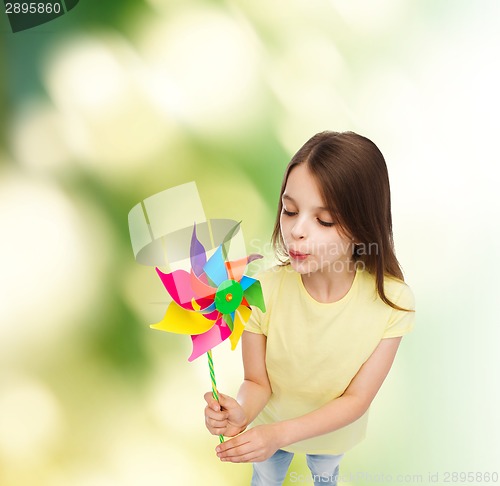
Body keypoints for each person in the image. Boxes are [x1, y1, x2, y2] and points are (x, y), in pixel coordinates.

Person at [204, 131, 415, 486]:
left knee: (325, 474)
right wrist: (240, 413)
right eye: (289, 211)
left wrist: (279, 434)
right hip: (270, 423)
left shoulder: (391, 303)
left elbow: (356, 400)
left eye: (325, 220)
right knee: (266, 477)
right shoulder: (259, 291)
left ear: (364, 227)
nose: (296, 231)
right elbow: (257, 382)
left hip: (332, 431)